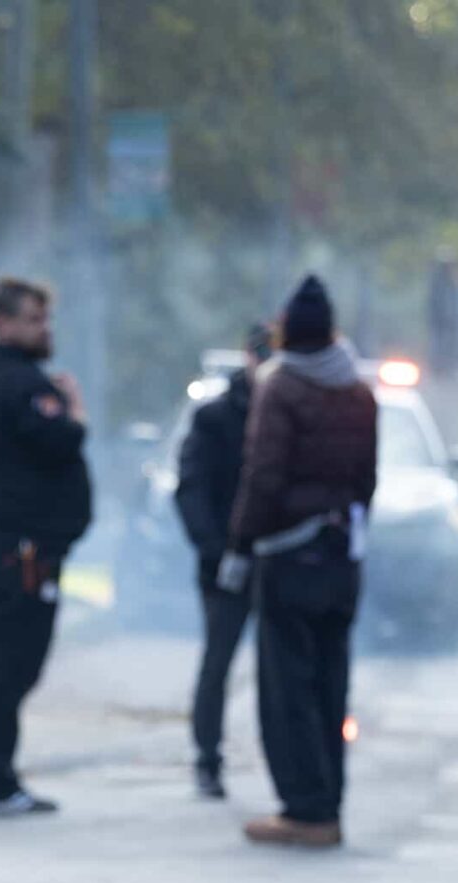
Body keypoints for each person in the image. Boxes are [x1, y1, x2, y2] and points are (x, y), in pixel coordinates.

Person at [224, 275, 377, 849]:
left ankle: (304, 809)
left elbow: (262, 476)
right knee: (330, 685)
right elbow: (367, 480)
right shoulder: (359, 392)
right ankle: (328, 802)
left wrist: (240, 546)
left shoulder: (281, 386)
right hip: (342, 558)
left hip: (288, 556)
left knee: (286, 687)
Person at [0, 277, 93, 816]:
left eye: (46, 319)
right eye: (33, 319)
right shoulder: (17, 384)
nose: (44, 330)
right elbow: (60, 440)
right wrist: (73, 408)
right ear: (2, 323)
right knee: (12, 660)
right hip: (22, 543)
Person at [173, 324, 274, 800]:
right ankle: (207, 758)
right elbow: (191, 489)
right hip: (226, 562)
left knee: (280, 669)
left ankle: (284, 761)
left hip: (276, 561)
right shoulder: (215, 417)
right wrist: (217, 551)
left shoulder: (291, 414)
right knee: (218, 664)